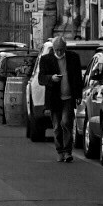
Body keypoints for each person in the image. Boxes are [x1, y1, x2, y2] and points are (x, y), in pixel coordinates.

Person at [37, 34, 84, 163]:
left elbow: (78, 78)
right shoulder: (46, 59)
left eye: (61, 50)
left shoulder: (73, 58)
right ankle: (60, 151)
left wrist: (78, 95)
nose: (59, 53)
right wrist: (51, 78)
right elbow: (41, 78)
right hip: (54, 98)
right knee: (57, 126)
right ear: (53, 49)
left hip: (68, 97)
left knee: (66, 122)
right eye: (57, 50)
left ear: (65, 48)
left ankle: (68, 151)